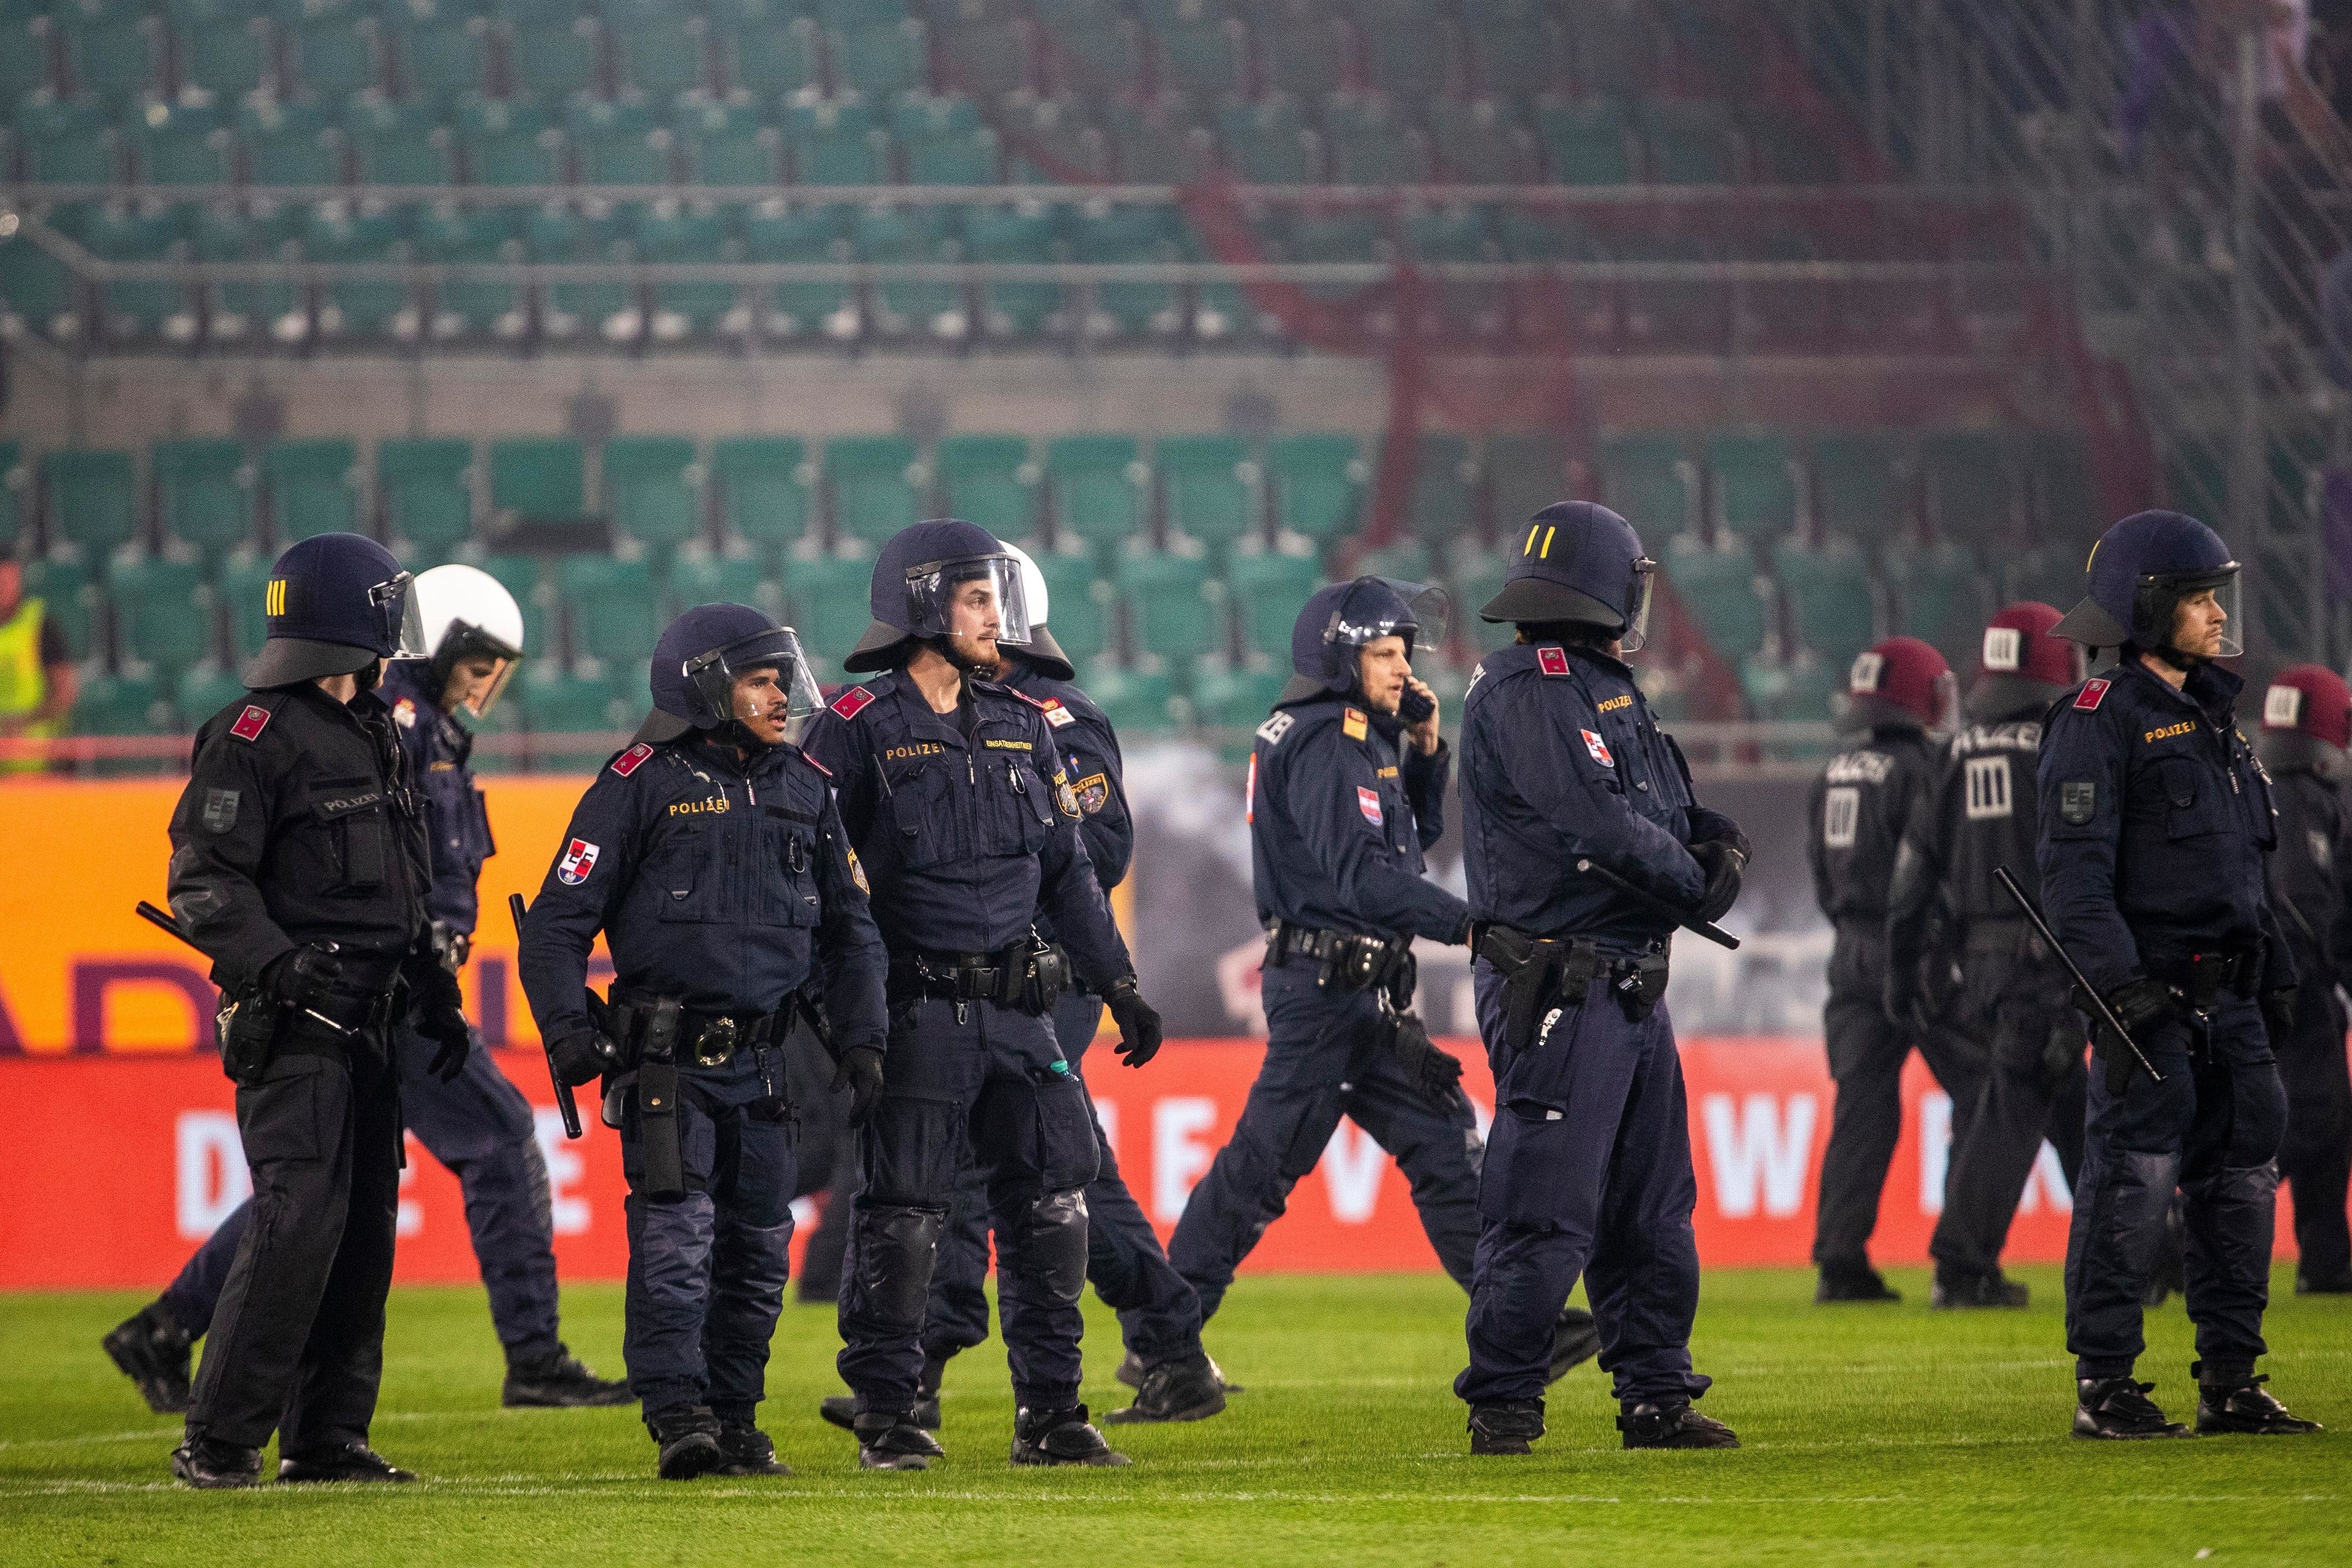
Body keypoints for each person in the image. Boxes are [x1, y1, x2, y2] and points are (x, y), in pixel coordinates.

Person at [103, 566, 627, 1417]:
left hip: (402, 983)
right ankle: (535, 1355)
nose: (492, 679)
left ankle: (167, 1326)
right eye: (483, 658)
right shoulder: (395, 727)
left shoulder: (418, 730)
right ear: (447, 643)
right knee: (494, 1143)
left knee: (320, 1186)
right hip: (370, 985)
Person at [817, 541, 1227, 1436]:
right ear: (929, 608)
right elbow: (819, 872)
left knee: (1048, 1194)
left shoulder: (1036, 717)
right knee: (952, 1198)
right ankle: (903, 1401)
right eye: (974, 600)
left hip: (1033, 995)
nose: (994, 618)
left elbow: (1083, 863)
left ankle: (1035, 1399)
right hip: (931, 999)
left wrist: (1118, 981)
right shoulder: (860, 723)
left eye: (994, 599)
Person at [1164, 573, 1601, 1382]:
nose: (1404, 667)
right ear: (1340, 653)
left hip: (1363, 994)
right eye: (1386, 651)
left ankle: (1519, 1322)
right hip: (1326, 993)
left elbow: (1407, 849)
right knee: (1262, 1167)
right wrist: (1471, 926)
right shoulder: (1329, 739)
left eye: (1406, 651)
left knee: (1446, 1149)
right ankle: (1163, 1340)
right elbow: (1364, 881)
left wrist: (1429, 756)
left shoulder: (1352, 732)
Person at [518, 605, 886, 1479]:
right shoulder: (635, 781)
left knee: (759, 1250)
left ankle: (736, 1415)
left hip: (769, 1063)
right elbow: (556, 927)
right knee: (678, 1244)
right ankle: (680, 1413)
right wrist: (570, 1032)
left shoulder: (805, 785)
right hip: (665, 1063)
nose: (783, 699)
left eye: (782, 680)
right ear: (705, 685)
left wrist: (864, 1038)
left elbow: (851, 932)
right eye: (762, 681)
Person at [159, 532, 466, 1488]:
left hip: (375, 1021)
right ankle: (218, 1438)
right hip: (296, 1027)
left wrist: (437, 994)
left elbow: (405, 882)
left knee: (364, 1223)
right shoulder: (250, 735)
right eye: (385, 604)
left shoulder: (376, 726)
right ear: (351, 618)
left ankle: (327, 1434)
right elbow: (202, 882)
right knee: (297, 1217)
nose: (396, 624)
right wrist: (275, 965)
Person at [1452, 500, 1747, 1456]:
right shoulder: (1528, 689)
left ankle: (1656, 1391)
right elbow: (1598, 821)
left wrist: (1710, 842)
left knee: (1652, 1205)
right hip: (1563, 983)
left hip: (1628, 980)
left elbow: (1661, 806)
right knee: (1546, 1202)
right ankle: (1503, 1398)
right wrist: (1698, 881)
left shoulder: (1602, 685)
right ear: (1599, 584)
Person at [2039, 508, 2320, 1439]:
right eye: (2198, 596)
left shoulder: (2216, 719)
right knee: (2133, 1178)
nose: (2214, 613)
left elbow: (2246, 863)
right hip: (2151, 1000)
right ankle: (2108, 1384)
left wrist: (2274, 966)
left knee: (2243, 1180)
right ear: (2147, 606)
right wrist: (2122, 993)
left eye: (2214, 595)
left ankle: (2231, 1378)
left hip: (2234, 996)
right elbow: (2073, 880)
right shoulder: (2096, 721)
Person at [1886, 604, 2090, 1309]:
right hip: (2050, 957)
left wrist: (1902, 968)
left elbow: (1914, 876)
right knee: (2017, 1103)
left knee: (2068, 1104)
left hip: (1977, 963)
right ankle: (1962, 1262)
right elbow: (2087, 867)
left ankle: (2149, 1246)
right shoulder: (2065, 747)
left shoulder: (1951, 751)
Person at [1808, 635, 1986, 1303]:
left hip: (1849, 953)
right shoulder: (1928, 769)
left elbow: (1822, 881)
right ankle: (1962, 1259)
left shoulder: (1832, 771)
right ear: (1924, 698)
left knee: (1862, 1108)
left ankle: (1839, 1261)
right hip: (1918, 953)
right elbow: (1936, 870)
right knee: (1981, 1090)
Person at [2254, 664, 2352, 1295]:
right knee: (2315, 1115)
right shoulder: (2310, 804)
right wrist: (2331, 976)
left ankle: (2326, 1256)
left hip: (2260, 979)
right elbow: (2308, 904)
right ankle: (2200, 1211)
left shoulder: (2255, 788)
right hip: (2300, 982)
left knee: (2329, 1115)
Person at [0, 554, 79, 772]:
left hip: (36, 763)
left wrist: (21, 723)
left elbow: (65, 694)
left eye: (6, 581)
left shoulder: (42, 625)